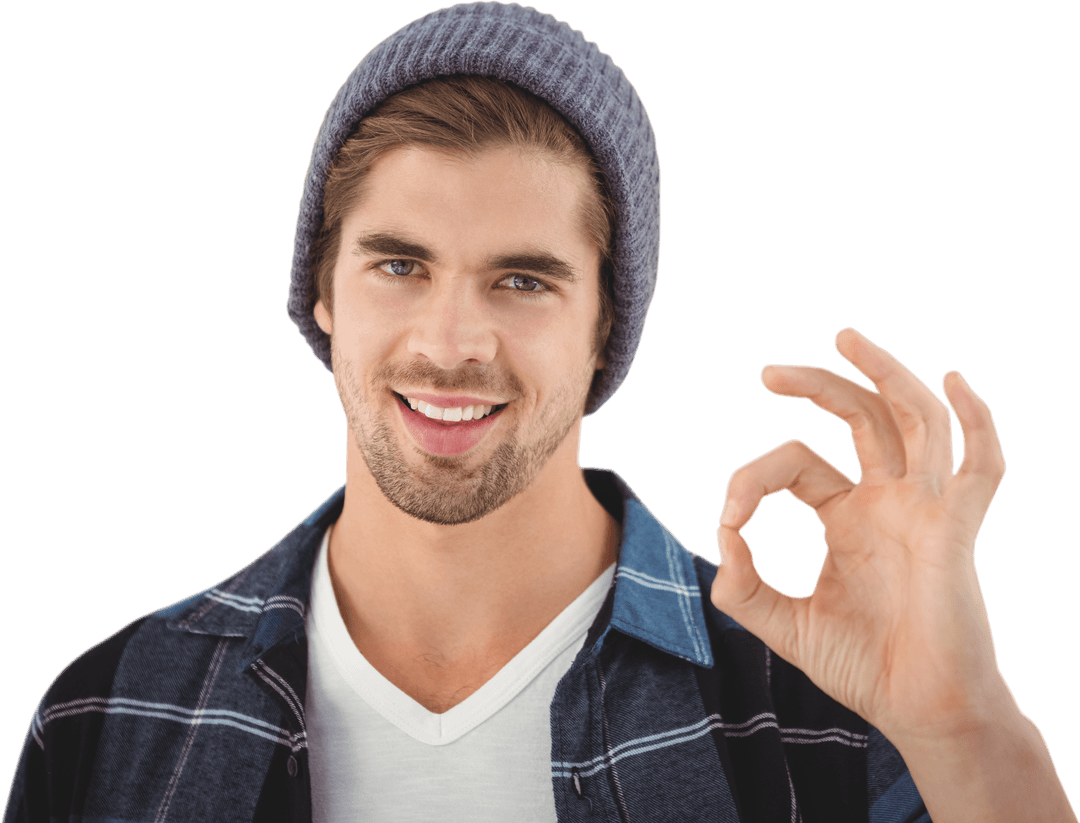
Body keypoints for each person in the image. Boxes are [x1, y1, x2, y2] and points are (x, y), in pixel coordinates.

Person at [3, 3, 1075, 822]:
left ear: (610, 323)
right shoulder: (113, 714)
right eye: (399, 265)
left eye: (523, 279)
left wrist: (965, 723)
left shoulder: (812, 718)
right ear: (321, 291)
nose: (451, 342)